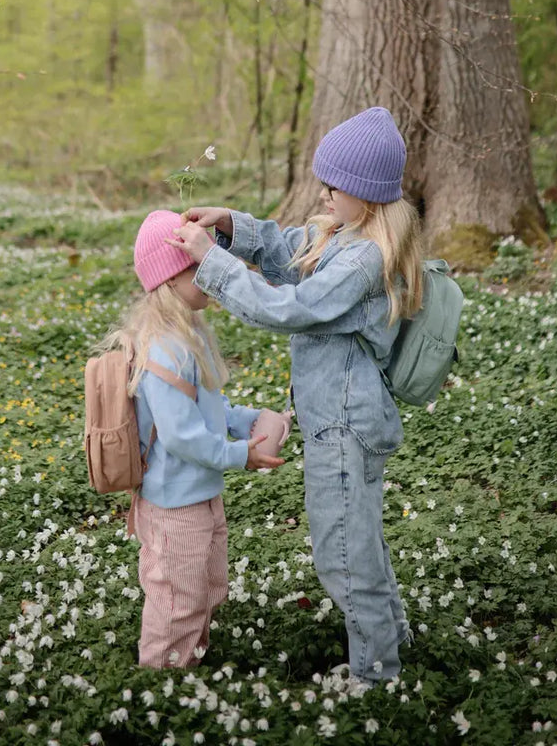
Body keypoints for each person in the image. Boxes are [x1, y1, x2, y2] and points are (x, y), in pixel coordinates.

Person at [169, 107, 424, 682]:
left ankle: (377, 676)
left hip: (344, 426)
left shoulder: (364, 259)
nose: (324, 191)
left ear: (365, 192)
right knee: (360, 541)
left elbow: (289, 309)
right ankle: (391, 636)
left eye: (334, 183)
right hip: (343, 420)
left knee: (342, 556)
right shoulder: (347, 232)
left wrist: (209, 261)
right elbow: (291, 249)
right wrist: (231, 225)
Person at [102, 209, 285, 669]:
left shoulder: (190, 335)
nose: (211, 271)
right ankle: (162, 683)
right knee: (176, 600)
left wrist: (247, 419)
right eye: (199, 266)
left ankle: (191, 664)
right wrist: (240, 455)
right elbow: (183, 437)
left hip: (202, 494)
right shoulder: (163, 346)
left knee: (206, 588)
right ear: (171, 277)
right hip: (174, 504)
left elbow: (206, 408)